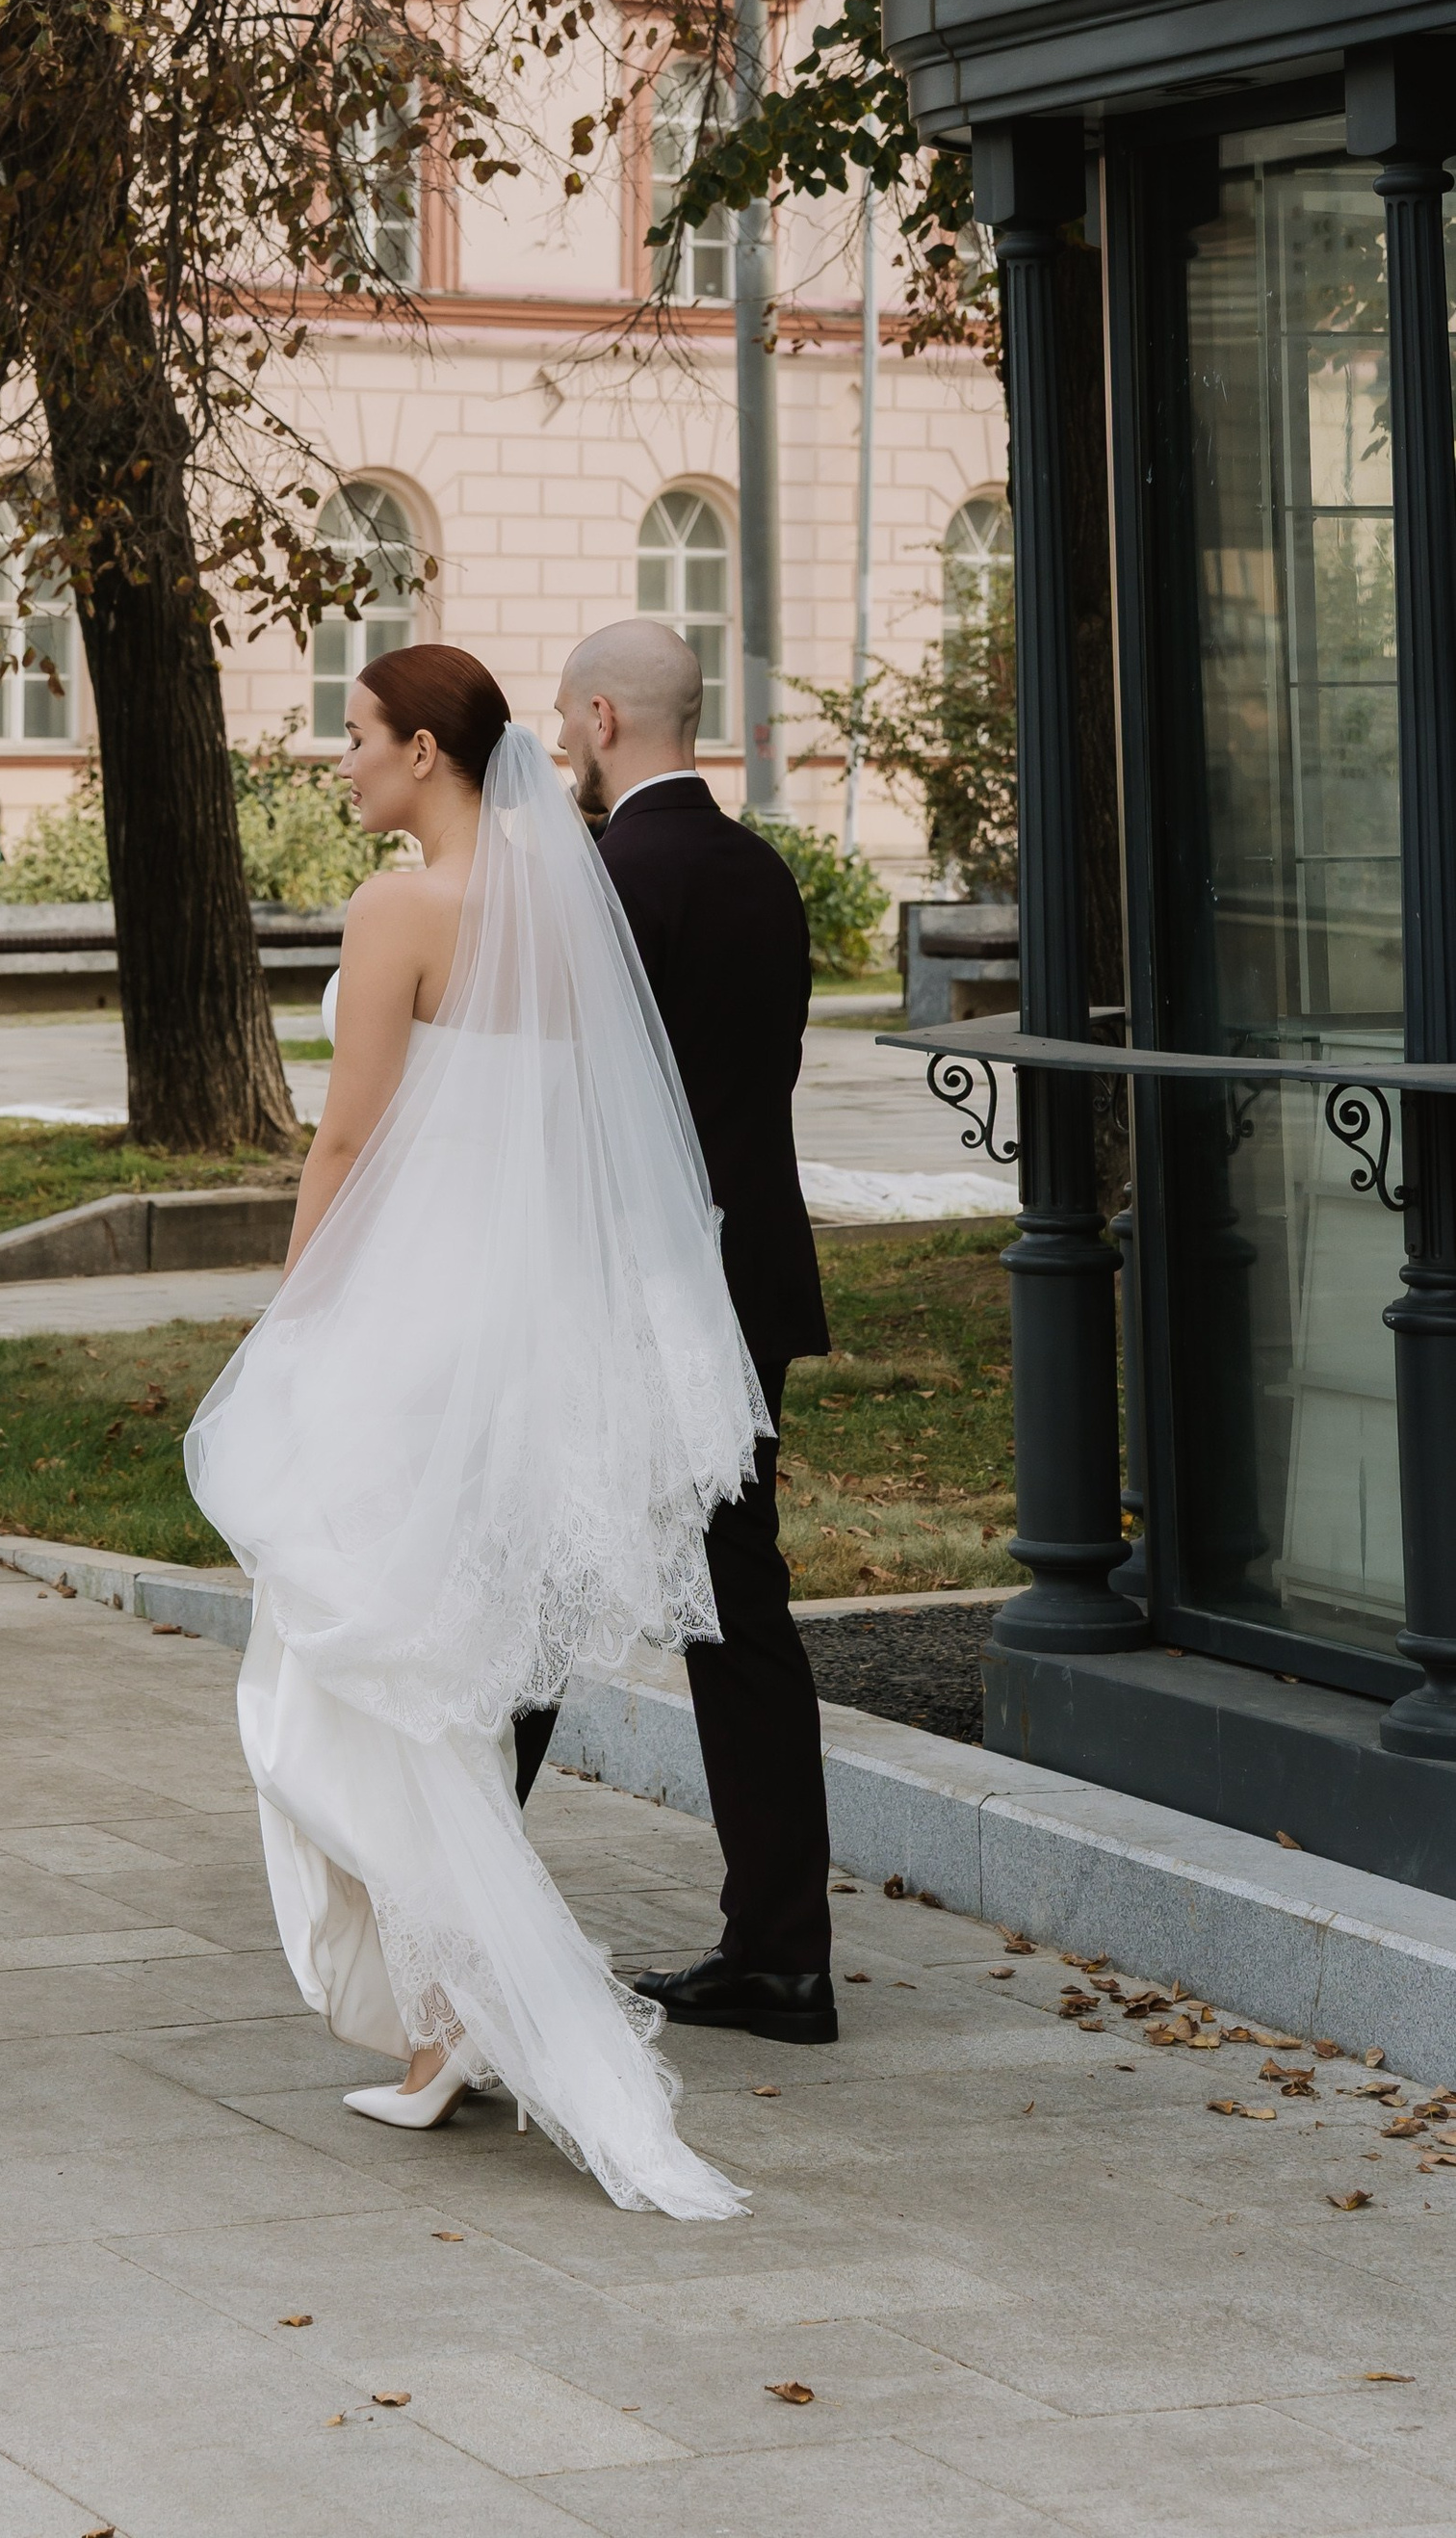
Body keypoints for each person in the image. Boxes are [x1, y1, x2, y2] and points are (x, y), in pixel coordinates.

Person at [186, 643, 766, 2214]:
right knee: (415, 1679)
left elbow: (351, 1135)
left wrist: (295, 1320)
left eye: (360, 737)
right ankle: (449, 2025)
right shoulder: (554, 900)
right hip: (521, 1329)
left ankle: (482, 2014)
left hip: (405, 1320)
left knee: (345, 1673)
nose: (346, 761)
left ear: (429, 753)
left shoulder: (403, 910)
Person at [532, 615, 837, 2048]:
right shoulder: (762, 872)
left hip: (636, 1289)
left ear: (601, 717)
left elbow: (574, 1111)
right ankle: (781, 1947)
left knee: (537, 1567)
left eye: (564, 722)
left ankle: (456, 1914)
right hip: (747, 1284)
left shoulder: (603, 884)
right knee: (741, 1600)